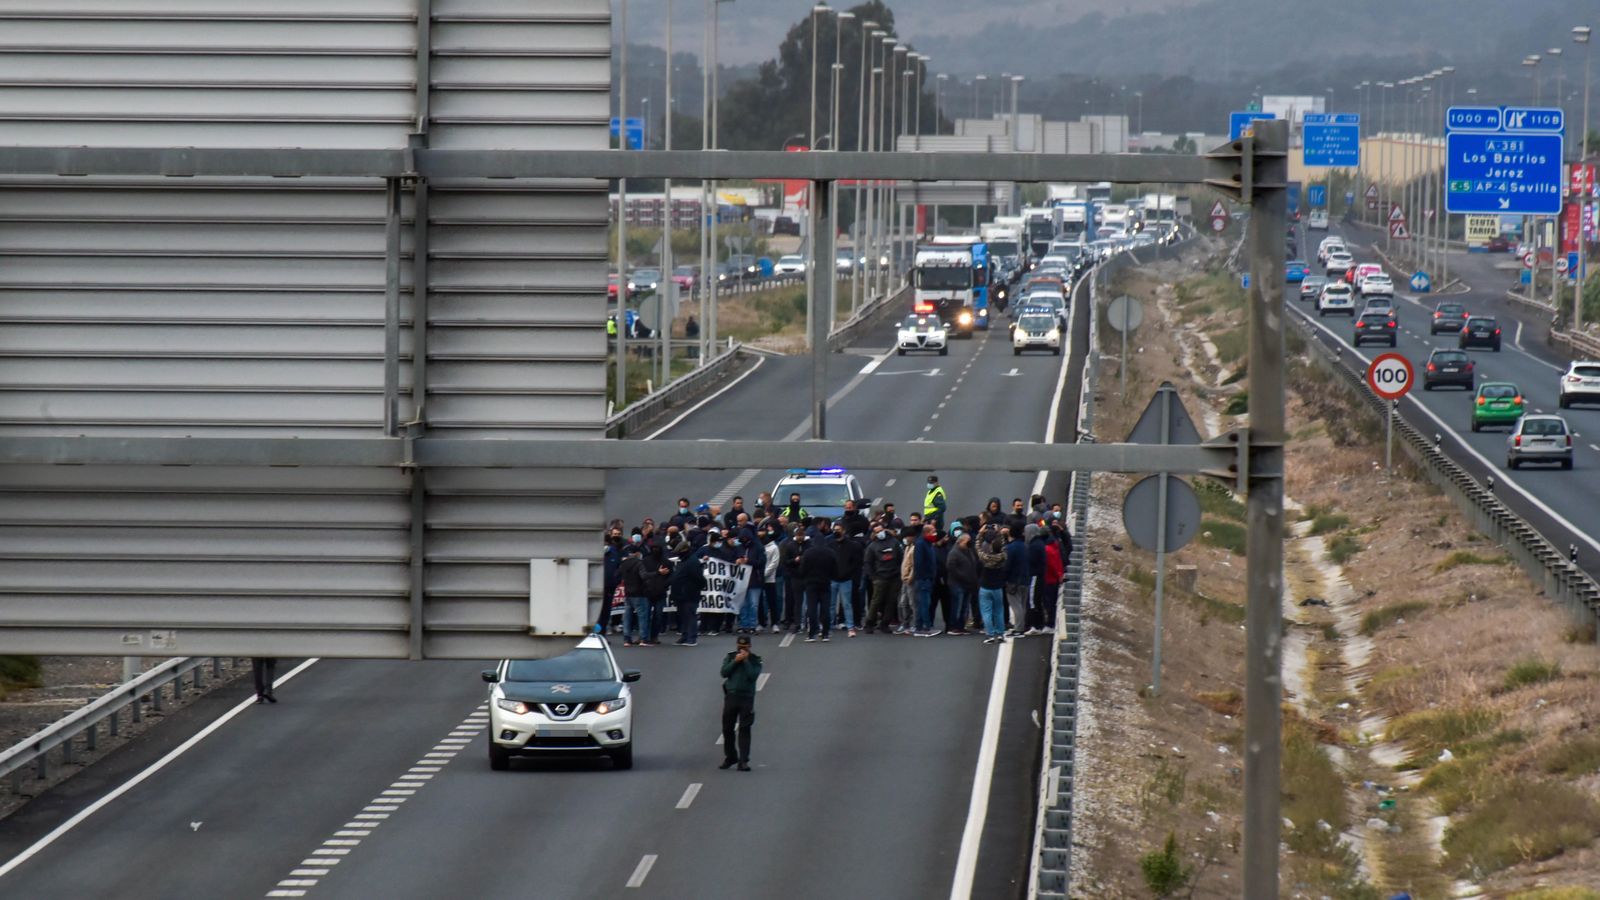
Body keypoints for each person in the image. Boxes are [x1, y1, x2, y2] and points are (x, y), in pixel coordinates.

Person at [719, 635, 761, 772]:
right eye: (739, 647)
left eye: (744, 647)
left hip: (746, 698)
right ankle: (730, 756)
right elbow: (724, 672)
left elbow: (753, 676)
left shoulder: (755, 660)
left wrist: (746, 661)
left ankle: (743, 760)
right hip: (731, 696)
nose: (741, 649)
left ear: (749, 647)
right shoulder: (731, 657)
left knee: (744, 729)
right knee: (727, 728)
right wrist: (735, 662)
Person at [863, 524, 902, 633]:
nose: (880, 533)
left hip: (894, 577)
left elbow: (901, 557)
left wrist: (899, 573)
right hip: (880, 577)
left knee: (891, 601)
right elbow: (868, 563)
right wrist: (873, 577)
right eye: (877, 531)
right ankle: (870, 623)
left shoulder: (894, 542)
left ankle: (885, 623)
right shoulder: (872, 546)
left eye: (881, 530)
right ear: (874, 534)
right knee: (876, 601)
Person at [798, 534, 836, 643]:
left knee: (812, 609)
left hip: (811, 583)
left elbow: (802, 570)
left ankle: (811, 634)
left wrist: (804, 578)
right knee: (825, 609)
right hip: (825, 583)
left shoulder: (808, 553)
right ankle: (825, 633)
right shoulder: (830, 552)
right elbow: (835, 568)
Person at [828, 523, 863, 637]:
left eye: (838, 530)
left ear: (844, 531)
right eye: (835, 530)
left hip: (846, 579)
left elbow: (856, 562)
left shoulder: (852, 545)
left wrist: (848, 573)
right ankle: (829, 627)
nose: (836, 532)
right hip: (833, 579)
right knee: (831, 604)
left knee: (847, 604)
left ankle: (850, 627)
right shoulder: (830, 544)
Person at [975, 531, 1010, 642]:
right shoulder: (1003, 557)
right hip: (998, 587)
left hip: (985, 587)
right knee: (999, 611)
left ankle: (990, 634)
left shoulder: (984, 558)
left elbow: (978, 548)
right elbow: (1004, 546)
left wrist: (980, 535)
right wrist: (999, 533)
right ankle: (1000, 633)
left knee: (986, 612)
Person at [946, 530, 979, 636]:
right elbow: (951, 568)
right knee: (957, 606)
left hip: (968, 584)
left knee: (964, 607)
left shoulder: (968, 551)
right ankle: (953, 626)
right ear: (960, 542)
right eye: (967, 541)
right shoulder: (954, 553)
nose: (969, 543)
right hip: (957, 584)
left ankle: (961, 626)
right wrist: (964, 577)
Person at [912, 524, 940, 636]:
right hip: (923, 579)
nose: (935, 533)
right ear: (926, 533)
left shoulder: (928, 544)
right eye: (933, 531)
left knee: (923, 603)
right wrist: (923, 576)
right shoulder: (921, 544)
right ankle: (925, 627)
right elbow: (918, 563)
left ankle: (919, 626)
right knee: (924, 603)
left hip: (928, 578)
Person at [1003, 526, 1031, 638]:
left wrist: (1004, 578)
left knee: (1016, 606)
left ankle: (1018, 629)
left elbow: (1007, 565)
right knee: (1022, 605)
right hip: (1025, 579)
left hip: (1014, 581)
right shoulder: (1025, 546)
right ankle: (1021, 627)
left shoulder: (1010, 548)